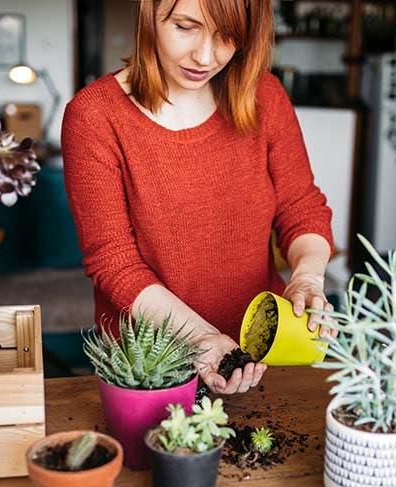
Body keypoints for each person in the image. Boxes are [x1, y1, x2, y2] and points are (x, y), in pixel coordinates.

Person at [62, 0, 336, 395]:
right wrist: (203, 338)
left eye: (227, 36)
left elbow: (301, 208)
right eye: (185, 26)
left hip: (265, 350)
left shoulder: (265, 96)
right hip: (151, 370)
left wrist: (307, 276)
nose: (205, 56)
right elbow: (114, 262)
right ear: (149, 13)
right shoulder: (94, 116)